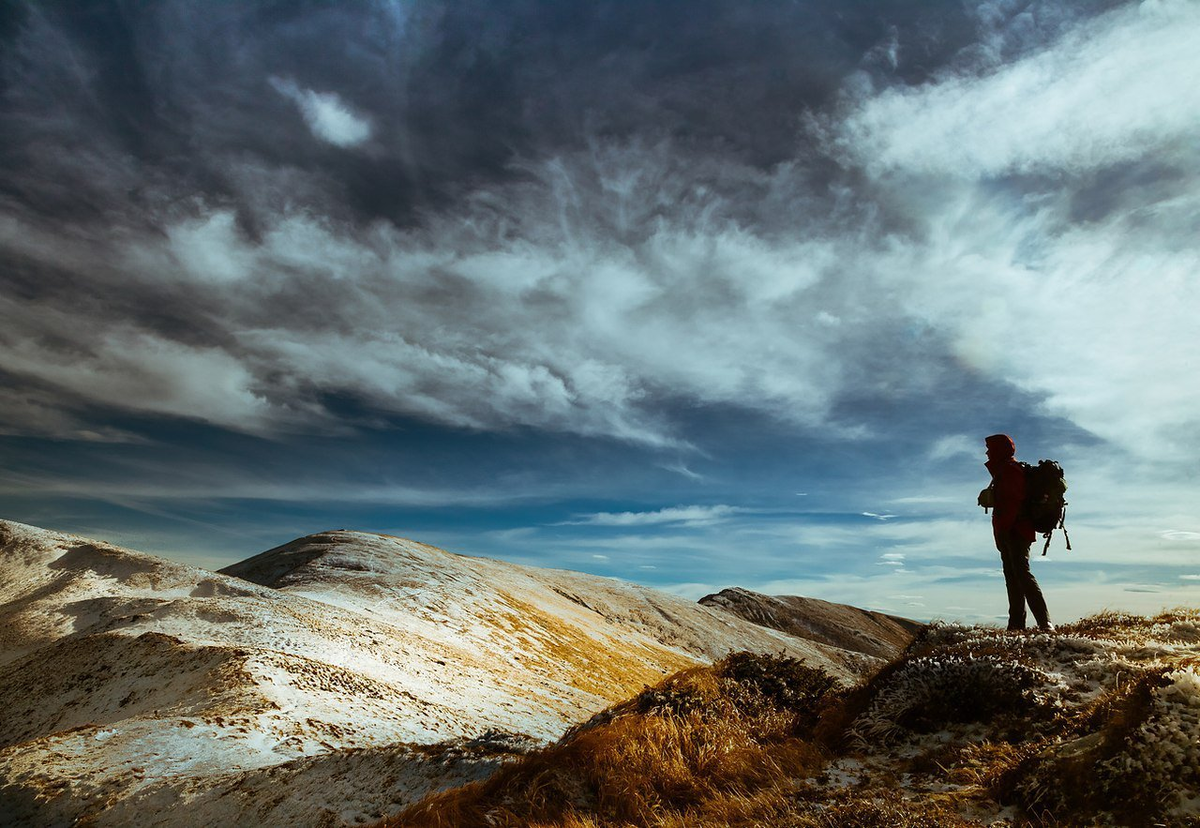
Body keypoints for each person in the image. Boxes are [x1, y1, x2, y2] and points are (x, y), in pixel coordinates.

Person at [983, 434, 1052, 632]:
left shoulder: (1010, 471)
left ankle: (1044, 622)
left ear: (999, 450)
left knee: (1021, 574)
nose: (987, 452)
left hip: (1015, 531)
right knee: (1013, 577)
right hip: (1013, 530)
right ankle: (1016, 625)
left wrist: (1004, 529)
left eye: (990, 448)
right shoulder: (1006, 470)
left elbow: (1012, 503)